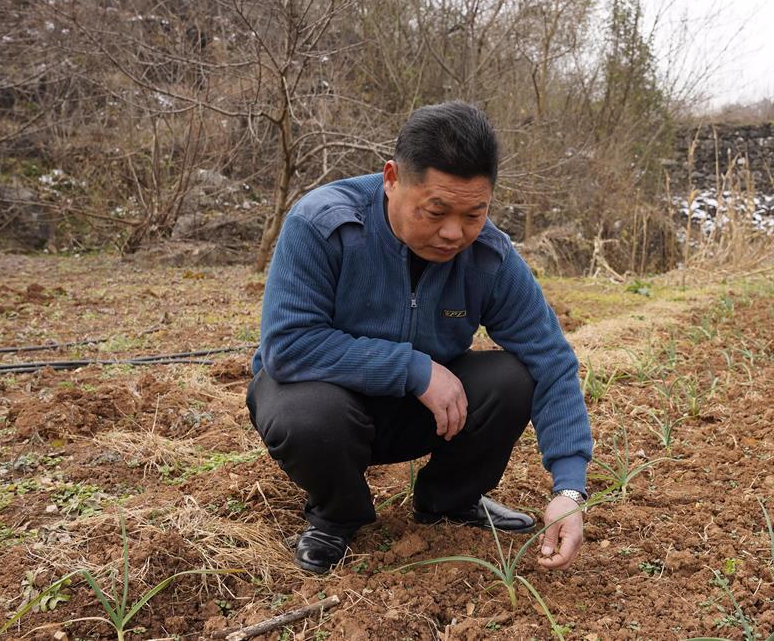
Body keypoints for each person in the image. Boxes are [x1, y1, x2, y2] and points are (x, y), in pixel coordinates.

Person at [245, 101, 594, 575]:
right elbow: (288, 346)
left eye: (474, 213)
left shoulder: (489, 256)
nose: (454, 233)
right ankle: (337, 515)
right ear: (392, 179)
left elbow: (552, 358)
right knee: (306, 415)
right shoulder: (323, 224)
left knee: (513, 377)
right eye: (436, 211)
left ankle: (450, 501)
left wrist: (569, 490)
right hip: (330, 410)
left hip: (425, 415)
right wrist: (411, 367)